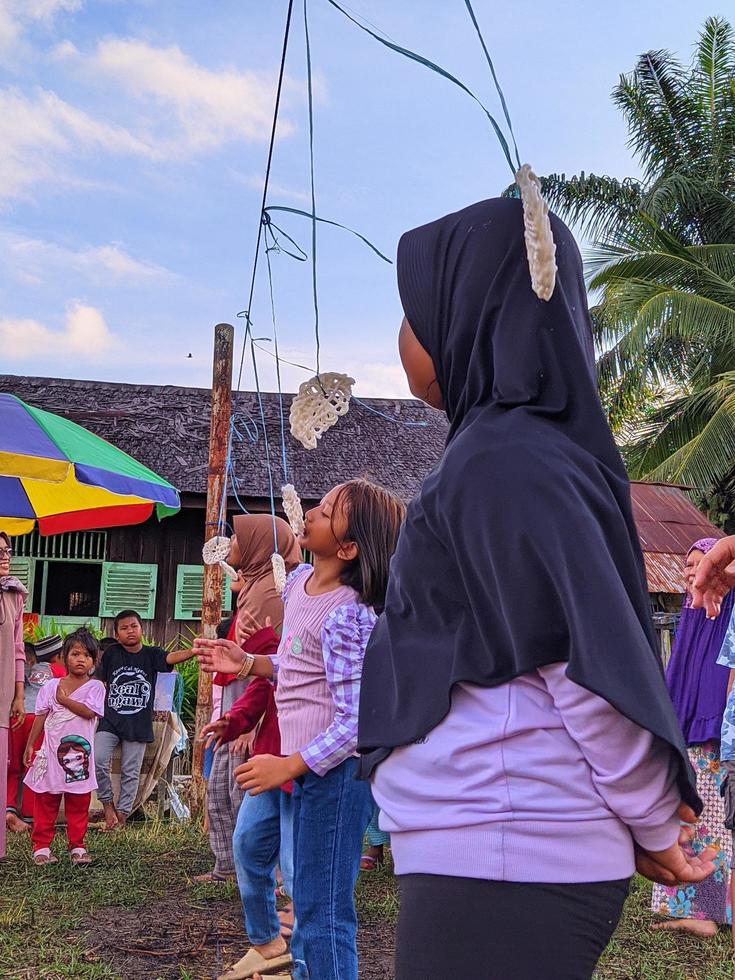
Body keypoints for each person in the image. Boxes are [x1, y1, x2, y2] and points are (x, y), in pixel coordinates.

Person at [354, 198, 716, 980]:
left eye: (414, 311)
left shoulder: (504, 460)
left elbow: (581, 665)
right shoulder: (505, 454)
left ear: (470, 311)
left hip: (507, 844)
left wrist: (655, 825)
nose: (404, 338)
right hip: (497, 843)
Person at [196, 480, 406, 980]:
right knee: (254, 848)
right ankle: (274, 949)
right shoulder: (299, 583)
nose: (311, 511)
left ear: (350, 547)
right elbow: (298, 667)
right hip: (292, 765)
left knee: (319, 911)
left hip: (330, 777)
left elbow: (358, 722)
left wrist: (289, 764)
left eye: (328, 511)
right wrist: (249, 662)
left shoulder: (350, 614)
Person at [198, 520, 299, 884]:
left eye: (239, 536)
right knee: (227, 801)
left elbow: (278, 668)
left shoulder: (272, 593)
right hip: (253, 715)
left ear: (259, 545)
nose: (231, 542)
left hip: (278, 729)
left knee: (253, 807)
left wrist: (248, 723)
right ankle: (237, 875)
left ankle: (274, 887)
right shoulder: (255, 590)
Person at [200, 620, 297, 980]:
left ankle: (299, 963)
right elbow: (264, 686)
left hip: (308, 765)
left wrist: (263, 639)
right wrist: (235, 720)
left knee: (297, 869)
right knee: (247, 845)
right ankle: (267, 943)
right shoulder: (276, 624)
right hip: (269, 760)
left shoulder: (306, 602)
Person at [651, 539, 733, 935]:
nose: (692, 571)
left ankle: (709, 917)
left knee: (710, 822)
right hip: (684, 729)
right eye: (689, 564)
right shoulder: (689, 611)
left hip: (712, 731)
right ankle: (687, 908)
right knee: (682, 817)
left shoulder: (725, 609)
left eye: (702, 563)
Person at [94, 609, 196, 830]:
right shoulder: (111, 654)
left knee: (131, 772)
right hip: (110, 721)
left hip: (138, 723)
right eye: (124, 628)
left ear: (141, 628)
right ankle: (107, 806)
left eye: (134, 626)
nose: (130, 631)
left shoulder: (151, 654)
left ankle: (121, 816)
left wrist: (194, 651)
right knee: (99, 759)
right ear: (117, 634)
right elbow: (98, 680)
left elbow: (170, 658)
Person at [23, 629, 105, 865]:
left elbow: (90, 712)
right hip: (50, 755)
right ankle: (41, 847)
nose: (81, 659)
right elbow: (40, 716)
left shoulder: (96, 688)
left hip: (80, 758)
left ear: (94, 661)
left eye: (87, 655)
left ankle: (77, 846)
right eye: (75, 654)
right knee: (46, 800)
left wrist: (65, 700)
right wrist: (31, 745)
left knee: (79, 802)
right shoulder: (51, 686)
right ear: (64, 656)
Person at [6, 641, 55, 833]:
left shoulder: (22, 670)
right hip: (38, 719)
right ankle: (28, 813)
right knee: (32, 767)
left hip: (17, 715)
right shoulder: (56, 669)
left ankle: (9, 809)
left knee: (13, 767)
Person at [0, 530, 26, 860]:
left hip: (3, 694)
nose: (4, 555)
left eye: (7, 550)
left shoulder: (15, 594)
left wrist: (19, 695)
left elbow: (19, 648)